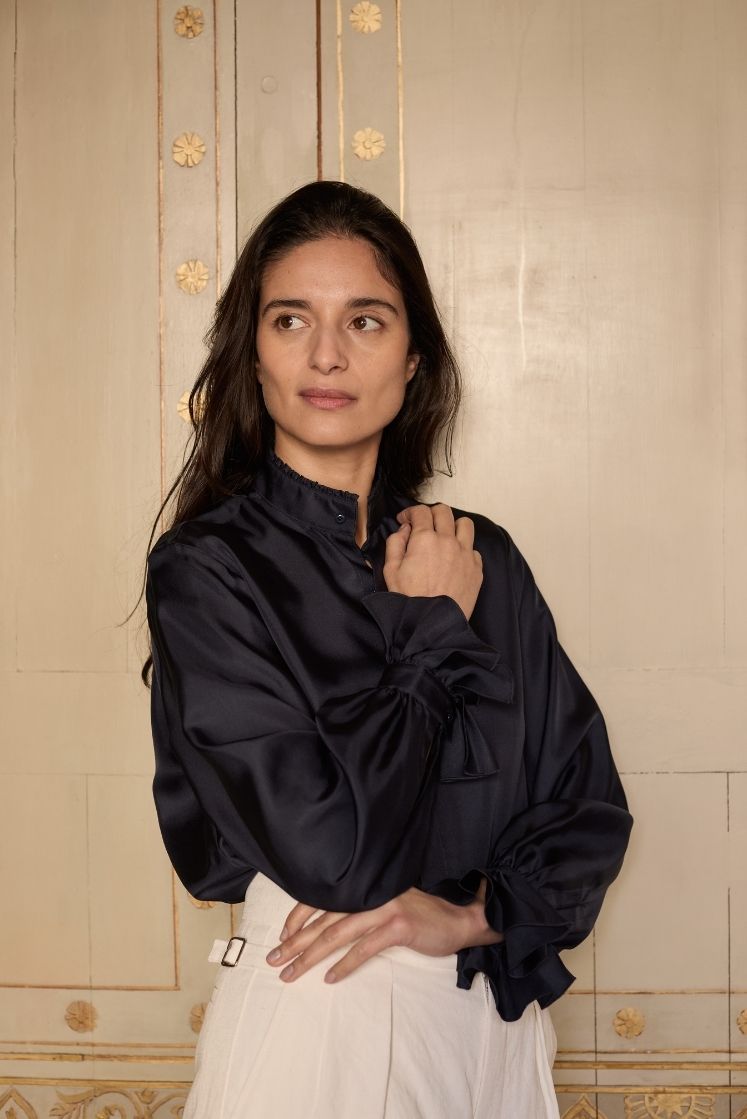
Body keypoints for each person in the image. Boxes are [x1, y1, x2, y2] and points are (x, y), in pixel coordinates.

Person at [141, 180, 633, 1118]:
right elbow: (337, 854)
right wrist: (425, 630)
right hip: (323, 1008)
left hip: (492, 1012)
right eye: (291, 320)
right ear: (253, 352)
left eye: (365, 320)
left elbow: (588, 805)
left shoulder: (478, 553)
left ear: (414, 359)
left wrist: (475, 914)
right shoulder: (208, 572)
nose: (326, 354)